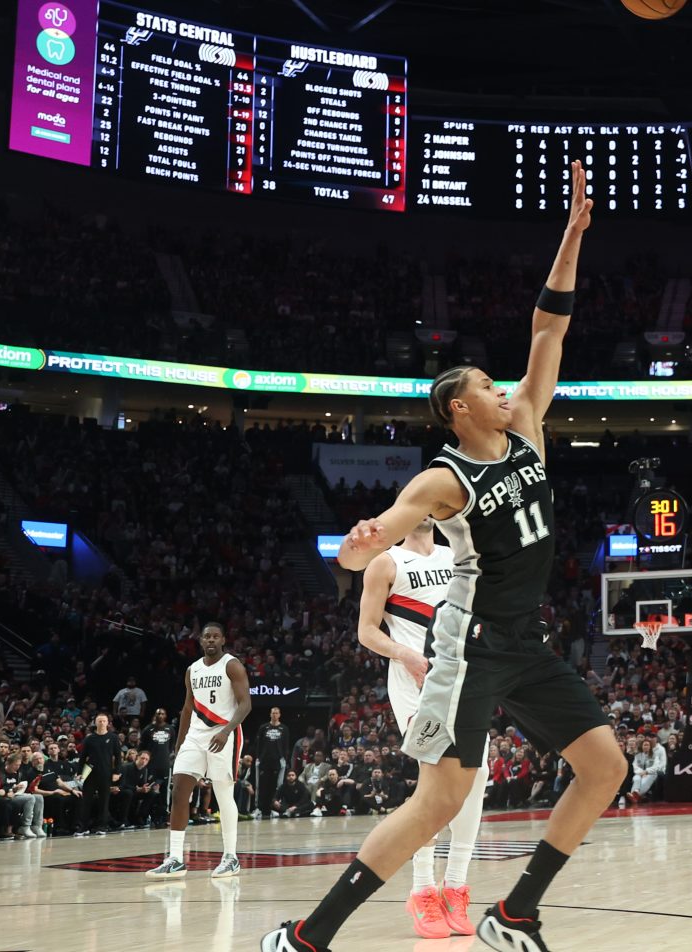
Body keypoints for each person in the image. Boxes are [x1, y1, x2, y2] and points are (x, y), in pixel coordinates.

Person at [261, 160, 625, 952]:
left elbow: (549, 328)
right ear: (461, 407)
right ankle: (307, 937)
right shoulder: (444, 477)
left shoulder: (527, 426)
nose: (506, 391)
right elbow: (381, 534)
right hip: (466, 646)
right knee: (438, 803)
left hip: (523, 640)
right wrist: (359, 547)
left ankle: (514, 914)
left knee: (605, 767)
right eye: (490, 386)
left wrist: (572, 235)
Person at [356, 516, 487, 939]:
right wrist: (405, 654)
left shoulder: (458, 557)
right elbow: (366, 631)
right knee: (435, 780)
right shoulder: (386, 563)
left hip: (462, 680)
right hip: (416, 685)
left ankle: (456, 887)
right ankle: (422, 889)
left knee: (477, 775)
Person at [146, 623, 252, 880]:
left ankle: (231, 857)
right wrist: (179, 744)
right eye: (207, 637)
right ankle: (175, 859)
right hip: (195, 735)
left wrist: (226, 731)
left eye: (215, 636)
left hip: (223, 732)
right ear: (201, 641)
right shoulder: (192, 669)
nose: (211, 640)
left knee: (223, 793)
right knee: (179, 790)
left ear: (223, 640)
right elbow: (187, 708)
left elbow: (245, 704)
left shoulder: (232, 665)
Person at [77, 713, 123, 836]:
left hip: (106, 773)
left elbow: (118, 757)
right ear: (95, 723)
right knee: (86, 801)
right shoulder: (89, 738)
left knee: (104, 801)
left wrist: (117, 772)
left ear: (108, 723)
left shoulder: (113, 738)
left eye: (104, 721)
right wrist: (79, 772)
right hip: (90, 773)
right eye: (99, 721)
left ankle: (102, 827)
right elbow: (82, 757)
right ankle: (83, 828)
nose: (102, 723)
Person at [255, 708, 291, 817]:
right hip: (264, 761)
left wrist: (284, 758)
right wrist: (258, 757)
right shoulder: (264, 727)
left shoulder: (284, 728)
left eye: (276, 713)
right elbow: (258, 743)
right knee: (262, 786)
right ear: (270, 714)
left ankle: (274, 808)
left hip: (278, 761)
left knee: (276, 786)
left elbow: (286, 745)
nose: (275, 715)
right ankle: (259, 808)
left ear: (279, 715)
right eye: (273, 713)